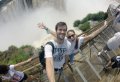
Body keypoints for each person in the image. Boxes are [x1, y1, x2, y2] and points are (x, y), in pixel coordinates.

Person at [38, 21, 108, 64]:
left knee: (71, 57)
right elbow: (55, 34)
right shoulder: (66, 40)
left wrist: (104, 26)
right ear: (67, 37)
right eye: (69, 36)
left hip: (72, 53)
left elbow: (92, 35)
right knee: (65, 58)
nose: (71, 37)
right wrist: (46, 28)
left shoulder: (80, 39)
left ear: (75, 35)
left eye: (72, 35)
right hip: (66, 53)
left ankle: (70, 62)